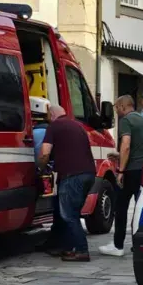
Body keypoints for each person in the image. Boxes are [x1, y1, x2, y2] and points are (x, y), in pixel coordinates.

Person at [38, 105, 96, 262]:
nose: (47, 119)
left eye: (47, 115)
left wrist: (40, 168)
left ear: (52, 114)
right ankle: (70, 248)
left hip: (72, 176)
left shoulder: (54, 127)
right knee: (73, 213)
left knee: (68, 215)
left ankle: (82, 251)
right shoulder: (77, 125)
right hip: (89, 174)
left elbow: (44, 153)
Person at [99, 95, 143, 258]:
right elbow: (138, 147)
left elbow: (127, 145)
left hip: (131, 170)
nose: (115, 110)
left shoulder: (126, 121)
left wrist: (121, 170)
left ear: (123, 106)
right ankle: (139, 244)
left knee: (120, 207)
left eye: (116, 107)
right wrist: (119, 156)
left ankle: (118, 245)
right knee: (140, 208)